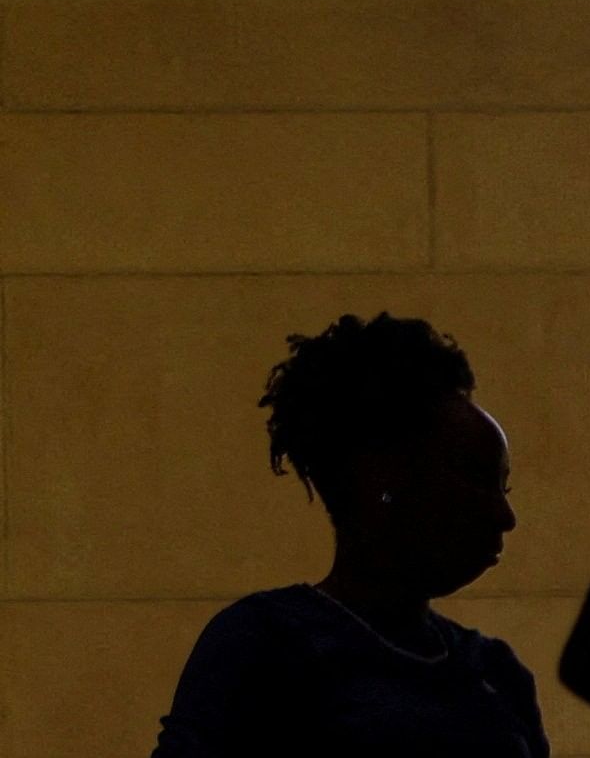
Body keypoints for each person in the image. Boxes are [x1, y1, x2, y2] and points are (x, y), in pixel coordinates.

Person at [153, 313, 545, 758]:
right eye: (475, 480)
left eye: (503, 487)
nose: (505, 514)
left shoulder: (496, 673)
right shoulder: (267, 645)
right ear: (381, 477)